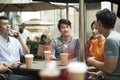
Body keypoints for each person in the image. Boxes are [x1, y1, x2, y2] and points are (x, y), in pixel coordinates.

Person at [87, 9, 120, 80]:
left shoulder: (111, 40)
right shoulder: (116, 35)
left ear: (99, 23)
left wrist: (92, 61)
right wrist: (101, 73)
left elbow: (109, 69)